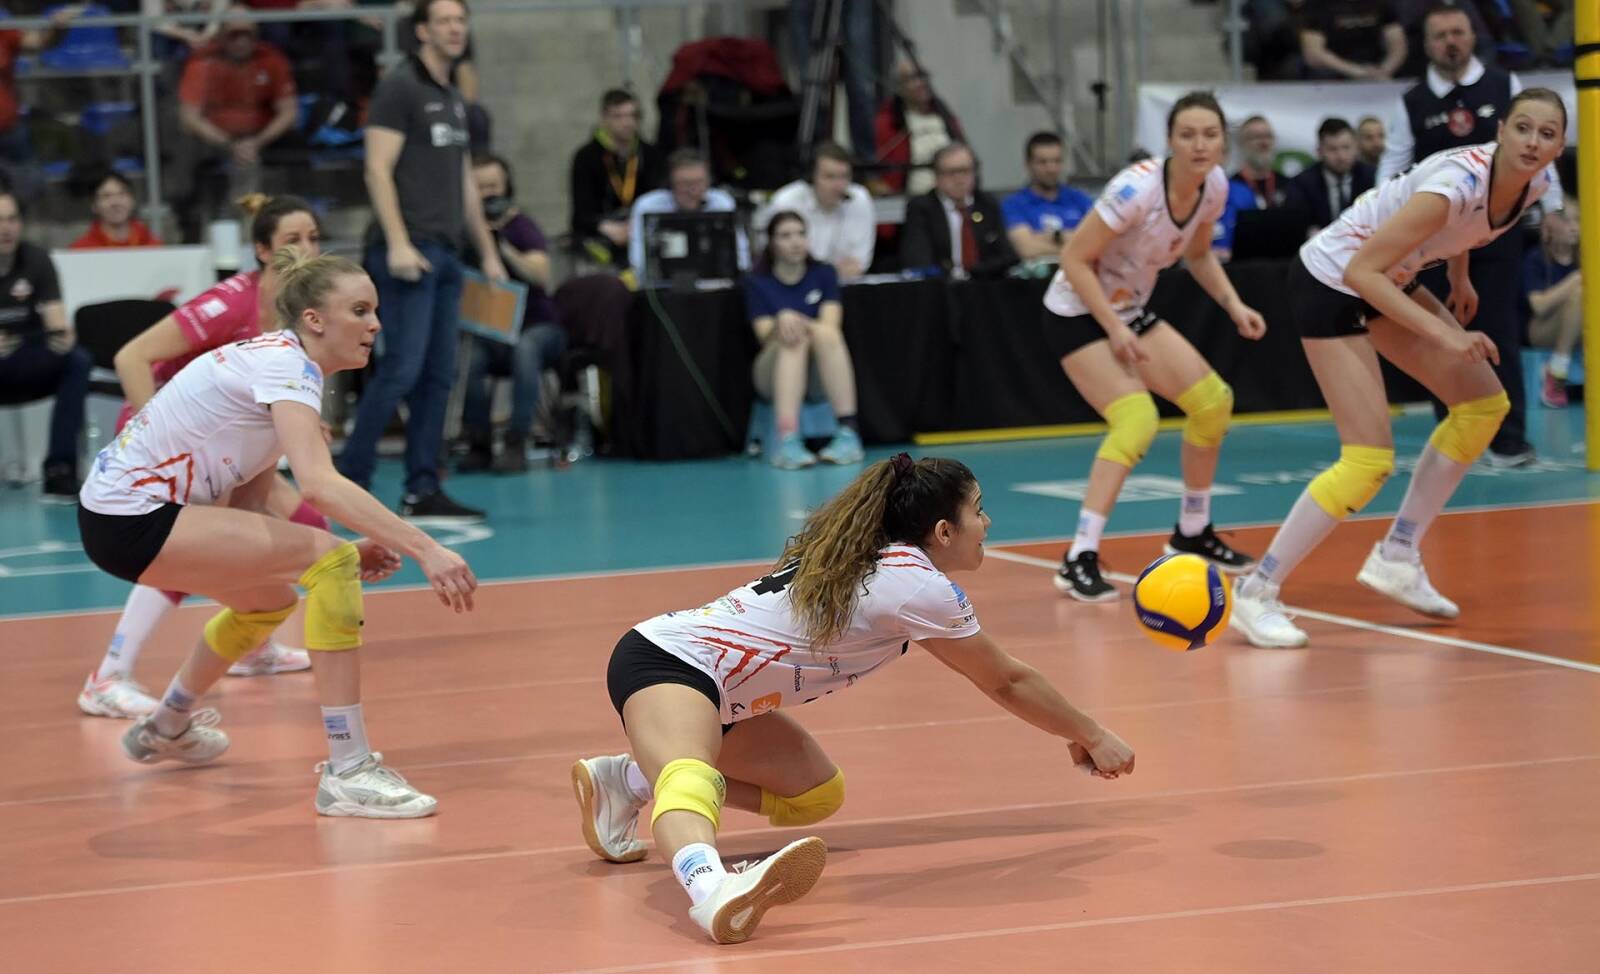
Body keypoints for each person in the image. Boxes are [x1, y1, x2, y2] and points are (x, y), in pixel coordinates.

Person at [570, 454, 1135, 944]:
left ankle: (626, 782)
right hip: (670, 662)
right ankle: (711, 888)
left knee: (815, 795)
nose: (987, 523)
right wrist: (1091, 734)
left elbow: (1001, 678)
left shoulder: (885, 562)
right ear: (943, 531)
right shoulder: (915, 584)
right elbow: (1005, 681)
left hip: (724, 694)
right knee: (690, 777)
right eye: (979, 511)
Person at [79, 249, 479, 817]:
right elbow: (319, 485)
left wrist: (317, 553)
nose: (375, 324)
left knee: (267, 604)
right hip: (134, 516)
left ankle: (167, 724)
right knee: (333, 565)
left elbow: (249, 504)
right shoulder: (285, 367)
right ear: (314, 319)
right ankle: (349, 770)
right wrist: (425, 548)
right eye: (359, 311)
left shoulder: (280, 368)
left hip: (117, 519)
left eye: (374, 310)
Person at [1229, 89, 1566, 648]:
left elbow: (1464, 227)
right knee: (1367, 460)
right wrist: (1446, 334)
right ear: (1500, 132)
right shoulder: (1455, 183)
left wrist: (1459, 276)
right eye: (1523, 128)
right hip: (1333, 281)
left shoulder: (1534, 184)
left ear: (1559, 147)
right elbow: (1362, 273)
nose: (1533, 142)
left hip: (1390, 275)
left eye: (1547, 134)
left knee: (1484, 406)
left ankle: (1398, 554)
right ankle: (1255, 590)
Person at [78, 194, 325, 721]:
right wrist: (161, 431)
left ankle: (253, 645)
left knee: (304, 524)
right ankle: (109, 675)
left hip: (224, 443)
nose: (307, 249)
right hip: (167, 445)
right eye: (292, 240)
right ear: (263, 250)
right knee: (188, 553)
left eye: (314, 238)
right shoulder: (231, 303)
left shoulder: (296, 314)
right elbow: (131, 356)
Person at [1042, 92, 1268, 602]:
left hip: (1128, 311)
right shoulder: (1135, 190)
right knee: (1137, 419)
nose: (1199, 145)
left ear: (1223, 142)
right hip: (1077, 311)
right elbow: (1074, 260)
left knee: (1213, 403)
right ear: (1169, 141)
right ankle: (1078, 555)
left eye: (1210, 135)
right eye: (1187, 135)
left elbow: (1200, 256)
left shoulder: (1214, 187)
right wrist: (1114, 328)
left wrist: (1234, 306)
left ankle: (1192, 531)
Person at [338, 0, 506, 521]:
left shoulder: (452, 98)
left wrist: (489, 253)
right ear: (422, 31)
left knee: (438, 377)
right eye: (445, 21)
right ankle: (348, 482)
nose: (455, 29)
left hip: (448, 254)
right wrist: (398, 242)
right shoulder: (400, 87)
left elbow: (464, 182)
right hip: (408, 251)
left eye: (460, 21)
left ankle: (422, 488)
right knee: (400, 371)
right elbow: (377, 169)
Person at [1378, 1, 1563, 467]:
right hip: (1432, 240)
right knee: (1440, 334)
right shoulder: (1412, 100)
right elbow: (1392, 165)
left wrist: (1556, 210)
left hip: (1495, 232)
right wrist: (1387, 227)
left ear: (1472, 36)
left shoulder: (1503, 85)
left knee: (1500, 329)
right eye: (1441, 36)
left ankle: (1508, 440)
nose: (1451, 42)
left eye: (1458, 33)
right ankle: (1454, 440)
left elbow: (1543, 154)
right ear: (1427, 45)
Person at [458, 153, 566, 473]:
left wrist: (502, 247)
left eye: (494, 186)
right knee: (468, 357)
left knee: (525, 348)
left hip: (538, 327)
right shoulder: (463, 232)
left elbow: (541, 275)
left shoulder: (522, 227)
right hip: (489, 330)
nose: (488, 194)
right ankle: (478, 442)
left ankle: (517, 441)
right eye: (480, 187)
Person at [744, 211, 863, 470]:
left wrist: (797, 320)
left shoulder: (824, 273)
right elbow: (763, 335)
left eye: (800, 234)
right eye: (785, 236)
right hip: (772, 372)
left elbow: (831, 326)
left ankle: (848, 433)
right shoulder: (757, 282)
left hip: (819, 374)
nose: (795, 241)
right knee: (793, 339)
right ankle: (787, 440)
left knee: (823, 333)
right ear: (772, 243)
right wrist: (781, 322)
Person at [0, 191, 89, 501]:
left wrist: (63, 336)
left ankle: (59, 470)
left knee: (77, 360)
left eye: (12, 219)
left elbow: (56, 322)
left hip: (26, 356)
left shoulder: (36, 259)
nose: (5, 228)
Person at [569, 88, 665, 268]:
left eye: (632, 116)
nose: (627, 123)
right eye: (618, 116)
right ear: (604, 118)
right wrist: (606, 227)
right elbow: (581, 214)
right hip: (601, 235)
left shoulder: (649, 154)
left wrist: (634, 226)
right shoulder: (586, 157)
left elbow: (657, 199)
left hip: (640, 231)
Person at [756, 142, 875, 279]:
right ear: (811, 177)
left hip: (844, 285)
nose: (839, 186)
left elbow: (858, 265)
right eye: (830, 177)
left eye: (844, 176)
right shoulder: (787, 202)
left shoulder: (859, 199)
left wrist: (819, 275)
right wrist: (827, 274)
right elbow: (775, 260)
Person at [899, 143, 1017, 279]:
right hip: (941, 286)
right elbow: (918, 259)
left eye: (965, 171)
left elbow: (1007, 256)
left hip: (984, 284)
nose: (959, 179)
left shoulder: (987, 204)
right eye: (951, 172)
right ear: (936, 176)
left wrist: (975, 274)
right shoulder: (922, 208)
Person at [627, 148, 749, 277]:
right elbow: (638, 259)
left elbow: (741, 255)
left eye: (699, 182)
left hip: (715, 279)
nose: (693, 190)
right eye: (685, 184)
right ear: (670, 184)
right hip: (664, 280)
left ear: (709, 181)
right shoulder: (648, 206)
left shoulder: (721, 203)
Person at [1003, 131, 1095, 262]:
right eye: (1043, 162)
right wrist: (1075, 241)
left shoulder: (1080, 199)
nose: (1051, 169)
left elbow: (1097, 241)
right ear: (1028, 164)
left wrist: (1053, 237)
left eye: (1057, 161)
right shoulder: (1013, 205)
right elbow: (1027, 249)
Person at [1523, 209, 1581, 409]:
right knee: (1580, 294)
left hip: (1581, 329)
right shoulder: (1536, 258)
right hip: (1542, 328)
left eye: (1578, 220)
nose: (1574, 227)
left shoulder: (1585, 256)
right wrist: (1575, 279)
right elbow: (1539, 306)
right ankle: (1557, 370)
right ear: (1548, 229)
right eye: (1567, 221)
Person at [1285, 117, 1376, 235]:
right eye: (1332, 149)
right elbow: (1298, 226)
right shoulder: (1302, 184)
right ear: (1319, 151)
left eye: (1346, 147)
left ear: (1356, 148)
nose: (1341, 156)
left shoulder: (1372, 177)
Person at [70, 171, 162, 249]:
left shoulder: (152, 245)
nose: (116, 202)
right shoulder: (81, 250)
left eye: (122, 194)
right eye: (106, 196)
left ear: (132, 201)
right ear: (94, 206)